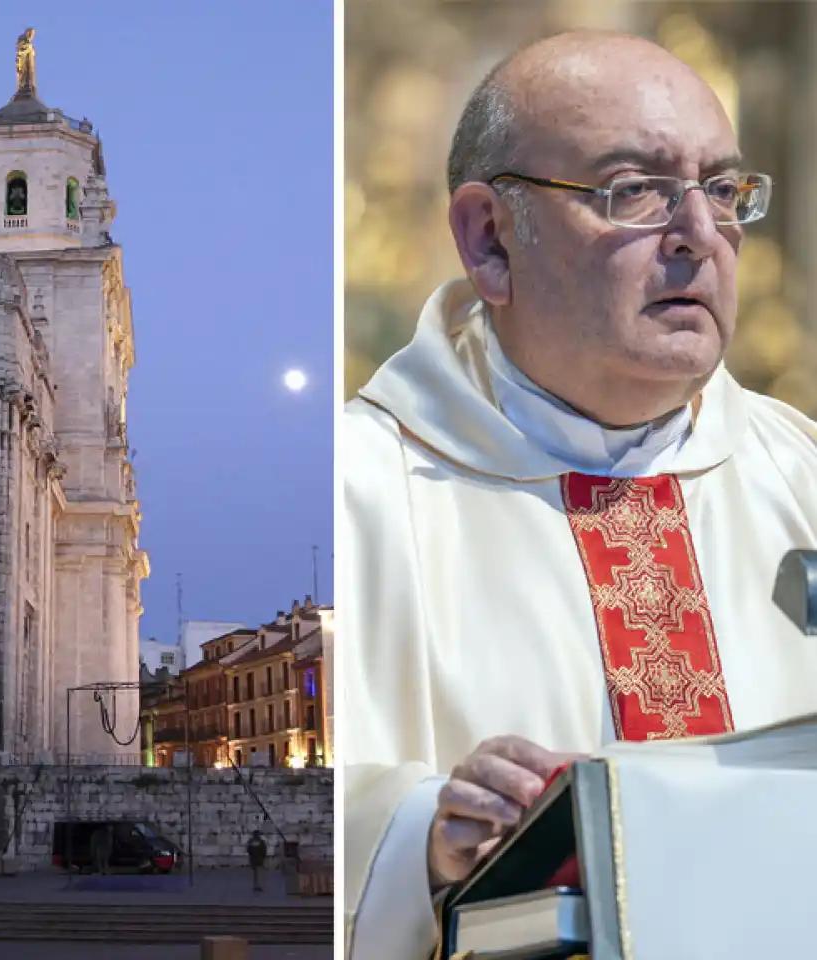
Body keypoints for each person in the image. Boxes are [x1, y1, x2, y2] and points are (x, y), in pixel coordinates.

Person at [342, 31, 817, 960]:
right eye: (633, 189)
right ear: (489, 239)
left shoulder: (801, 474)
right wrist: (420, 839)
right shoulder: (363, 488)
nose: (698, 234)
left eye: (722, 191)